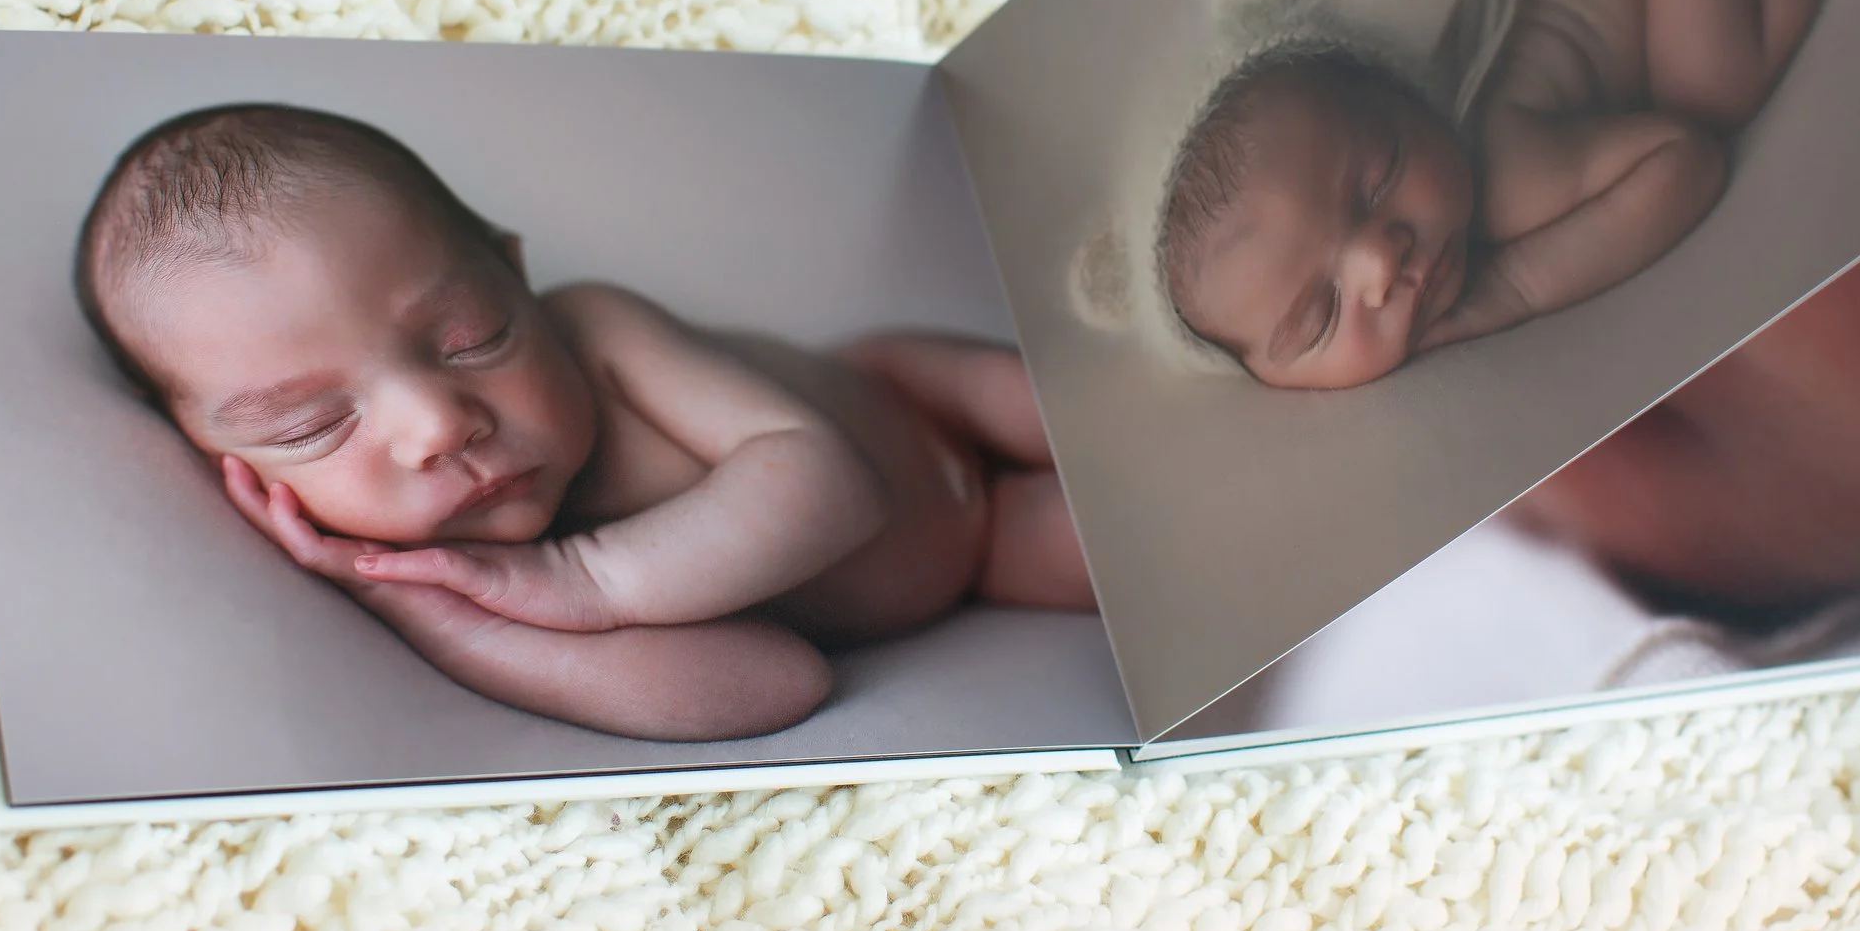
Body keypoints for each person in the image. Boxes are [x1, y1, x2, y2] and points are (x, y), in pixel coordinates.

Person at [75, 103, 1095, 744]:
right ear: (233, 471)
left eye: (473, 336)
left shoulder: (596, 328)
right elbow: (776, 682)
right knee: (1138, 549)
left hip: (912, 389)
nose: (439, 420)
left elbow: (825, 479)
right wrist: (436, 609)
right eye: (310, 425)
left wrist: (586, 581)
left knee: (1113, 425)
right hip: (981, 552)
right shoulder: (488, 584)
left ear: (514, 271)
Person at [1161, 0, 1838, 389]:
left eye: (1379, 178)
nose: (1380, 259)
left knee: (1712, 91)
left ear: (1403, 98)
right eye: (1321, 315)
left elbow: (1687, 162)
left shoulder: (1507, 177)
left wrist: (1518, 288)